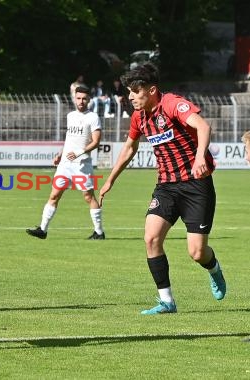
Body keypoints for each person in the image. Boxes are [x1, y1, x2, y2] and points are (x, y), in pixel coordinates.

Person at [99, 63, 226, 315]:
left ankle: (214, 269)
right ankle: (166, 301)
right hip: (166, 186)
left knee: (197, 252)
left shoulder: (171, 103)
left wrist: (200, 157)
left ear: (152, 89)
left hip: (196, 185)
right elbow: (129, 148)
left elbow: (203, 126)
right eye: (129, 92)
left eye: (136, 91)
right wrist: (110, 179)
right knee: (151, 238)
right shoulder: (139, 117)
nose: (131, 97)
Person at [26, 86, 105, 240]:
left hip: (82, 164)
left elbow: (96, 142)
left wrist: (78, 152)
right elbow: (69, 140)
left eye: (84, 98)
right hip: (65, 165)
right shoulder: (70, 116)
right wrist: (60, 154)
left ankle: (99, 232)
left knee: (89, 197)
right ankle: (42, 230)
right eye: (78, 98)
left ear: (89, 100)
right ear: (74, 99)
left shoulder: (93, 117)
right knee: (54, 195)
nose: (81, 101)